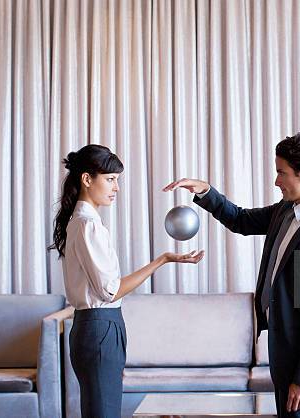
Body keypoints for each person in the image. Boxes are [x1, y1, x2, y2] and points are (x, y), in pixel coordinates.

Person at [164, 132, 300, 418]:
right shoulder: (286, 211)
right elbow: (241, 220)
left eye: (281, 173)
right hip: (282, 351)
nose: (276, 181)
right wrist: (205, 191)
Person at [49, 144, 204, 418]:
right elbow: (110, 291)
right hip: (100, 328)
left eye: (117, 180)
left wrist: (164, 259)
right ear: (87, 179)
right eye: (110, 179)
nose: (116, 188)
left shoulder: (83, 221)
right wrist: (162, 261)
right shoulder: (88, 225)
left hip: (99, 327)